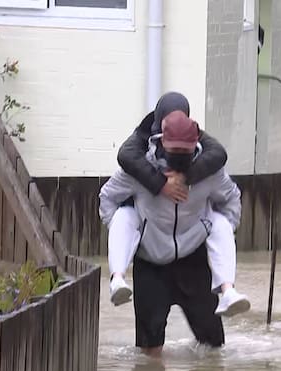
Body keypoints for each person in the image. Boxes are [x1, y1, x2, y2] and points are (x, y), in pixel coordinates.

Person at [99, 112, 246, 357]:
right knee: (149, 353)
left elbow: (231, 198)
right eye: (173, 150)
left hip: (193, 261)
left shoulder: (209, 171)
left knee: (213, 349)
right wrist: (131, 236)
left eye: (184, 151)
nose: (178, 157)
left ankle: (227, 290)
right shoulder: (138, 168)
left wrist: (216, 233)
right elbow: (107, 198)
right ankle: (117, 276)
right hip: (151, 264)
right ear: (161, 140)